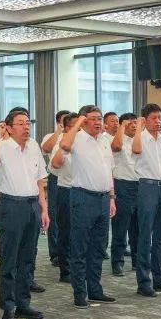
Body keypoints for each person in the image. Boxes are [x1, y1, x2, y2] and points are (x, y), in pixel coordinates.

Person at [0, 110, 48, 319]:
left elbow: (40, 180)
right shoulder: (2, 145)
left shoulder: (34, 146)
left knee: (27, 258)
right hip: (11, 205)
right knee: (9, 259)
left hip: (32, 205)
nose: (26, 127)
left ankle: (23, 304)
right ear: (9, 127)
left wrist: (44, 209)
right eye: (20, 123)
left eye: (28, 123)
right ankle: (8, 306)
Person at [53, 106, 117, 308]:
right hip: (83, 197)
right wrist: (79, 122)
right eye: (93, 119)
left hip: (103, 198)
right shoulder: (77, 138)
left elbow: (109, 171)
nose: (98, 122)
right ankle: (80, 293)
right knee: (80, 248)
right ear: (83, 120)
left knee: (98, 247)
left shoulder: (104, 140)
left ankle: (95, 290)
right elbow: (64, 145)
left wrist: (112, 198)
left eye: (100, 118)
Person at [131, 103, 161, 297]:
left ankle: (160, 278)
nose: (158, 121)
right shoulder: (140, 138)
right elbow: (135, 150)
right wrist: (139, 128)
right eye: (153, 118)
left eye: (160, 117)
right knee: (145, 236)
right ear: (145, 120)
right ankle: (143, 282)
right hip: (147, 187)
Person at [110, 113, 140, 277]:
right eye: (131, 123)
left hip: (140, 186)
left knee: (138, 227)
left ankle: (137, 261)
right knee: (121, 227)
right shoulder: (118, 140)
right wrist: (122, 126)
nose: (134, 125)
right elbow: (116, 147)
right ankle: (117, 262)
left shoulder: (139, 140)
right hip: (123, 186)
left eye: (136, 122)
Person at [41, 110, 70, 268]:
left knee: (68, 216)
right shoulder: (50, 136)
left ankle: (68, 252)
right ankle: (55, 253)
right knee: (54, 214)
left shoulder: (76, 137)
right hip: (55, 178)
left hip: (71, 179)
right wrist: (59, 132)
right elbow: (46, 148)